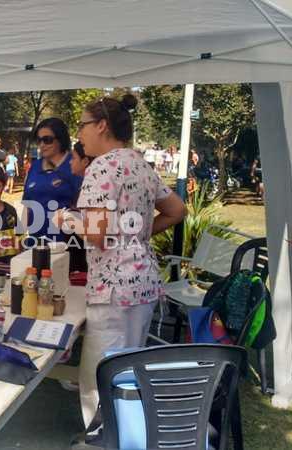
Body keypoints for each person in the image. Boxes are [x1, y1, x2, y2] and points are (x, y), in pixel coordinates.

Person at [56, 94, 187, 430]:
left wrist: (66, 221)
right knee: (129, 375)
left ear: (101, 125)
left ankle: (102, 438)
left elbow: (96, 235)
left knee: (98, 381)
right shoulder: (142, 165)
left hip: (113, 290)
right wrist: (137, 235)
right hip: (143, 286)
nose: (80, 133)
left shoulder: (101, 167)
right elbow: (177, 210)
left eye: (83, 125)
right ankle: (127, 434)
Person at [22, 118, 86, 268]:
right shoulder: (35, 166)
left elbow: (83, 205)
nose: (42, 145)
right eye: (39, 140)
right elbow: (27, 203)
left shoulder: (74, 163)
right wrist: (22, 235)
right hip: (36, 243)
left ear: (61, 139)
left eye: (47, 139)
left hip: (67, 245)